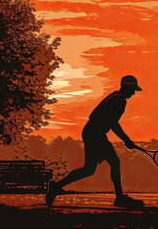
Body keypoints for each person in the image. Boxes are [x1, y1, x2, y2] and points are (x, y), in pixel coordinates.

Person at [45, 75, 145, 209]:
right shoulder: (120, 101)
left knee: (88, 170)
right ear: (127, 87)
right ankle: (120, 198)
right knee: (114, 162)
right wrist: (127, 140)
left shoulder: (114, 96)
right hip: (96, 134)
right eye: (133, 89)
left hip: (90, 131)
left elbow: (102, 118)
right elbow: (113, 123)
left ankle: (56, 186)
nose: (133, 93)